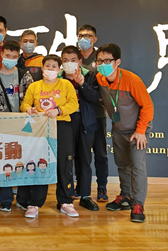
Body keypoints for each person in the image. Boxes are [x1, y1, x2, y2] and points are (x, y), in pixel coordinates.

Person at [96, 43, 154, 223]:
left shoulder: (131, 80)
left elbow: (147, 106)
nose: (103, 64)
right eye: (99, 61)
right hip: (118, 128)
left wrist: (141, 131)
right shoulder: (99, 79)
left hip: (137, 130)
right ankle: (126, 196)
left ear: (117, 62)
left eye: (107, 61)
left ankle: (138, 204)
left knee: (137, 166)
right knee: (122, 164)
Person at [20, 54, 79, 218]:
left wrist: (59, 110)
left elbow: (73, 104)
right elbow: (25, 103)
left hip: (62, 125)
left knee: (64, 163)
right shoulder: (35, 86)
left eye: (54, 66)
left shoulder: (66, 84)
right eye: (47, 66)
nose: (50, 69)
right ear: (42, 68)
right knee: (39, 162)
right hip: (40, 127)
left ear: (59, 70)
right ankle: (34, 203)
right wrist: (29, 109)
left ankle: (65, 201)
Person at [0, 40, 33, 211]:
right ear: (1, 55)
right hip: (4, 125)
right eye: (7, 55)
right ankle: (6, 199)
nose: (10, 59)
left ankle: (23, 199)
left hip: (24, 124)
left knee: (23, 161)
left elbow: (31, 97)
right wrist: (9, 120)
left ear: (18, 57)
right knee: (5, 162)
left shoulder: (24, 75)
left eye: (14, 57)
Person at [60, 45, 100, 212]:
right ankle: (66, 196)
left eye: (73, 60)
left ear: (80, 62)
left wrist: (82, 84)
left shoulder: (89, 76)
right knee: (65, 159)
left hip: (85, 121)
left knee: (84, 158)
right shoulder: (57, 78)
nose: (69, 63)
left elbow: (95, 97)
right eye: (65, 60)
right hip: (64, 121)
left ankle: (85, 195)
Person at [78, 24, 109, 201]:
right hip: (79, 113)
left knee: (100, 153)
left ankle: (102, 188)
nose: (84, 39)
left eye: (88, 36)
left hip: (97, 112)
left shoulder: (101, 59)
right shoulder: (74, 57)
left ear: (95, 39)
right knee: (81, 154)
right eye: (81, 35)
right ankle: (81, 187)